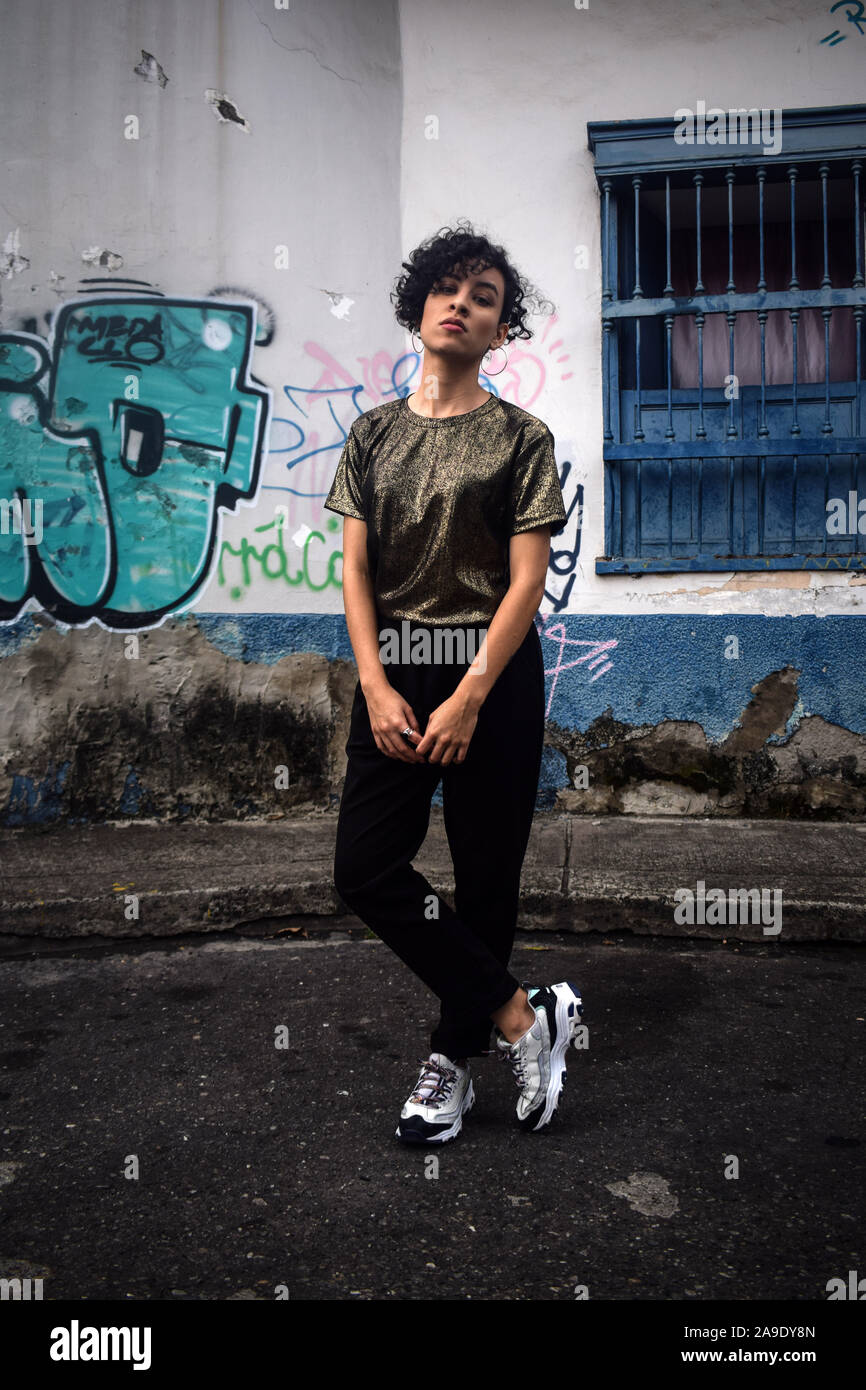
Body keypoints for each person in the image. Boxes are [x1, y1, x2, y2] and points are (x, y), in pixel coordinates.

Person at [324, 220, 583, 1144]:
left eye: (486, 298)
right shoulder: (372, 434)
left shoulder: (521, 436)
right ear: (419, 303)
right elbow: (355, 573)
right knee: (366, 869)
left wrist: (471, 693)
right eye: (449, 288)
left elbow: (526, 582)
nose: (463, 305)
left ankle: (451, 1060)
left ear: (499, 330)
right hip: (394, 672)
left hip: (492, 674)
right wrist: (377, 683)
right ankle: (522, 1014)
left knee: (486, 879)